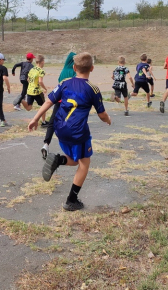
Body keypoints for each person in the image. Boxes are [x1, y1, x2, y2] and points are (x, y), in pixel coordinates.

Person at [28, 52, 111, 211]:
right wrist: (108, 120)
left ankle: (58, 160)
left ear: (74, 68)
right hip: (78, 132)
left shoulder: (65, 82)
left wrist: (36, 118)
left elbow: (49, 101)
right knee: (84, 163)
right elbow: (102, 114)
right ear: (92, 68)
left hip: (60, 128)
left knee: (76, 159)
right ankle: (71, 200)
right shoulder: (92, 89)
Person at [41, 51, 76, 160]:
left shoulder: (63, 70)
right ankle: (71, 147)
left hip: (58, 99)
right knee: (70, 122)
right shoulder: (74, 73)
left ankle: (46, 144)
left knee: (52, 122)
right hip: (69, 102)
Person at [21, 54, 48, 124]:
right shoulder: (41, 71)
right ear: (42, 62)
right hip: (37, 91)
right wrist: (45, 88)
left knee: (29, 107)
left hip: (29, 91)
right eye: (44, 61)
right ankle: (44, 122)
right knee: (44, 106)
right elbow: (40, 81)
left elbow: (28, 79)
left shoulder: (32, 69)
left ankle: (21, 100)